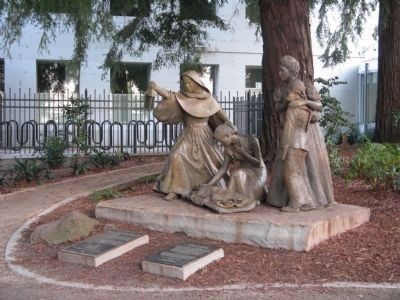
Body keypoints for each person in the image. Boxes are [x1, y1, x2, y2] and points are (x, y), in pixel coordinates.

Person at [266, 55, 335, 212]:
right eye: (278, 70)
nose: (279, 73)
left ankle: (311, 199)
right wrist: (287, 102)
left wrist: (305, 102)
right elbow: (278, 109)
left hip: (308, 130)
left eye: (282, 70)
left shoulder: (306, 86)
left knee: (307, 165)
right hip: (291, 127)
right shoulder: (281, 89)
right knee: (287, 164)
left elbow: (319, 106)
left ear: (290, 71)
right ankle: (286, 198)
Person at [151, 70, 229, 201]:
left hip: (205, 135)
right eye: (184, 83)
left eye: (189, 82)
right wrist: (157, 88)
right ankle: (175, 189)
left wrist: (229, 127)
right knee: (176, 155)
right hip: (188, 133)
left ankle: (208, 186)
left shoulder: (208, 99)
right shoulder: (182, 98)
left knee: (211, 162)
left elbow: (221, 116)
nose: (186, 85)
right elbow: (170, 96)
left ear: (197, 83)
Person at [191, 122, 267, 213]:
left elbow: (258, 163)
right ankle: (232, 195)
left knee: (237, 174)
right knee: (236, 174)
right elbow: (223, 170)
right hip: (243, 174)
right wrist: (209, 184)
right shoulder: (228, 149)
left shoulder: (252, 141)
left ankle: (244, 196)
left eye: (221, 141)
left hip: (258, 172)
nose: (220, 143)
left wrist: (244, 154)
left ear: (228, 136)